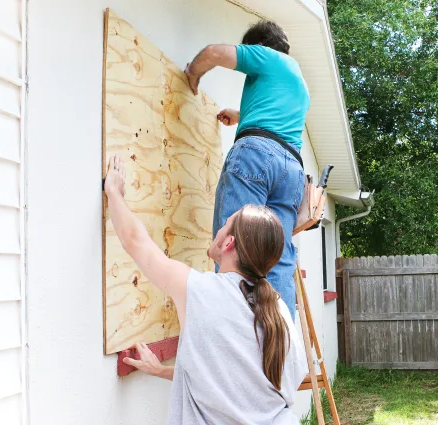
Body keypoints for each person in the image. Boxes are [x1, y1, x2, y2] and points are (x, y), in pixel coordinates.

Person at [104, 154, 307, 424]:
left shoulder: (199, 291)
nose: (219, 229)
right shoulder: (278, 310)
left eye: (224, 225)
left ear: (228, 243)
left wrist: (114, 193)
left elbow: (135, 242)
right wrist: (163, 371)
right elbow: (236, 384)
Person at [184, 21, 311, 319]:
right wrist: (241, 116)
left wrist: (192, 73)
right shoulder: (299, 83)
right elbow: (276, 119)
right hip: (291, 169)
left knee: (234, 244)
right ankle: (276, 346)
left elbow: (214, 53)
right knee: (275, 255)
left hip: (257, 157)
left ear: (260, 46)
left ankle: (233, 333)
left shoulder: (267, 57)